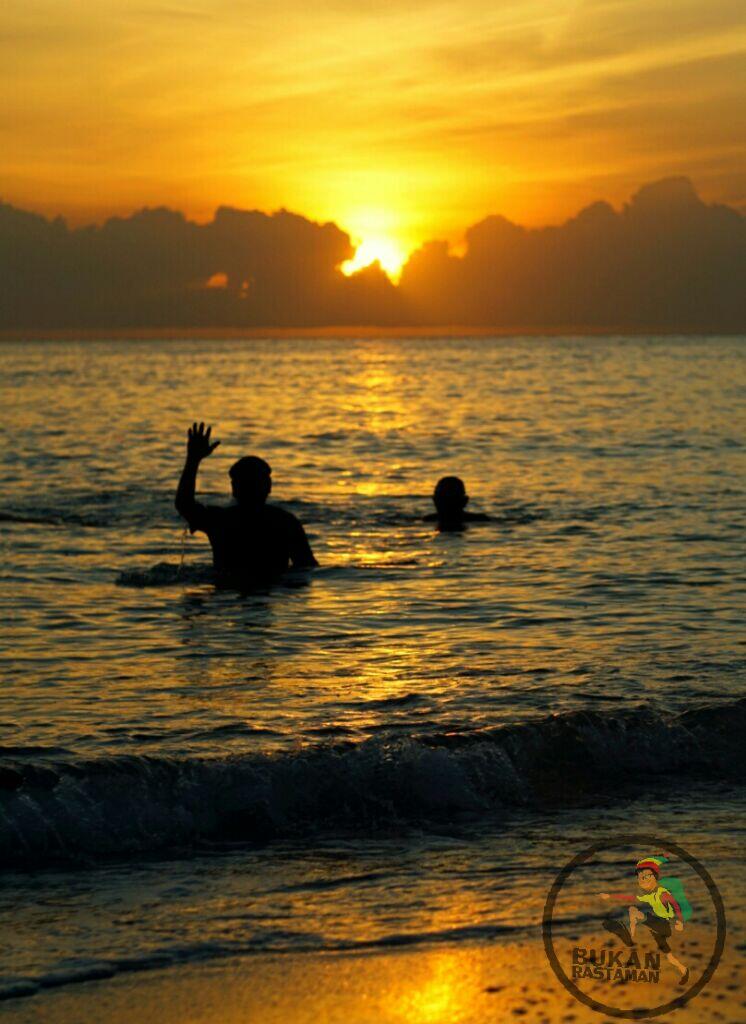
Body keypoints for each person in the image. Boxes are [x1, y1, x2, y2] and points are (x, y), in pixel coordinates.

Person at [175, 422, 317, 584]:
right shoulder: (284, 522)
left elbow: (184, 504)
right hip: (272, 595)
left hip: (227, 597)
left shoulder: (222, 521)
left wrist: (193, 460)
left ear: (234, 489)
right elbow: (306, 569)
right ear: (268, 488)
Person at [599, 856, 689, 985]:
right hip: (658, 928)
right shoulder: (649, 896)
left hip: (663, 925)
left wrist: (680, 922)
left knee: (633, 911)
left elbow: (675, 906)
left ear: (654, 877)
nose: (643, 879)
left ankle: (631, 942)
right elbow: (629, 897)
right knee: (669, 956)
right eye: (640, 877)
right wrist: (610, 896)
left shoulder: (662, 893)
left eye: (646, 876)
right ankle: (684, 970)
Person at [423, 476, 490, 530]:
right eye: (443, 497)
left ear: (464, 501)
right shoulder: (426, 520)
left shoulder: (480, 520)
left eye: (450, 498)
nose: (446, 503)